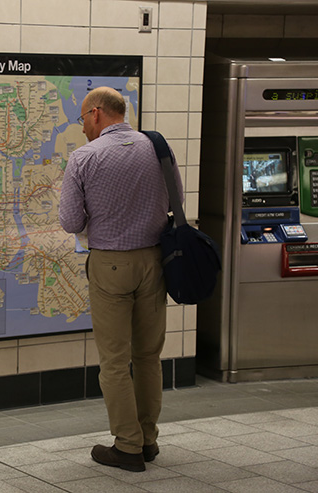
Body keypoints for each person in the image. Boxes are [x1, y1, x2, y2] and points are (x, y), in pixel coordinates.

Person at [59, 86, 183, 472]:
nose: (81, 129)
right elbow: (176, 200)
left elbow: (70, 222)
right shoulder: (157, 147)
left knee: (114, 361)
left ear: (96, 113)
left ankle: (126, 446)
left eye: (82, 119)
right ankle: (147, 440)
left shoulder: (84, 157)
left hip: (110, 265)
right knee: (148, 355)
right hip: (154, 262)